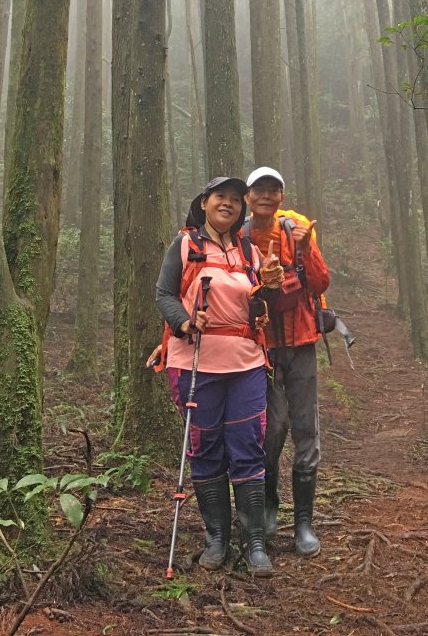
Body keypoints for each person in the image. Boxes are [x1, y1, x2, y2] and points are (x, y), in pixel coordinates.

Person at [155, 176, 284, 577]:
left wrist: (272, 285)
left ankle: (255, 542)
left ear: (241, 208)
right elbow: (163, 294)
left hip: (245, 362)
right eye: (219, 198)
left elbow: (262, 305)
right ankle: (217, 539)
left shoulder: (249, 250)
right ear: (204, 204)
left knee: (248, 445)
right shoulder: (185, 245)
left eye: (233, 199)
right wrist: (186, 322)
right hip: (195, 360)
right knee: (206, 446)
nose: (227, 204)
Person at [243, 166, 331, 557]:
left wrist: (305, 247)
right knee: (271, 430)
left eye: (272, 189)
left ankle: (304, 524)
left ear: (281, 196)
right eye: (258, 189)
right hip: (261, 348)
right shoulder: (240, 237)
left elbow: (321, 282)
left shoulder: (296, 231)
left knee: (306, 429)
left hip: (302, 343)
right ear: (248, 197)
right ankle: (267, 507)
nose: (265, 195)